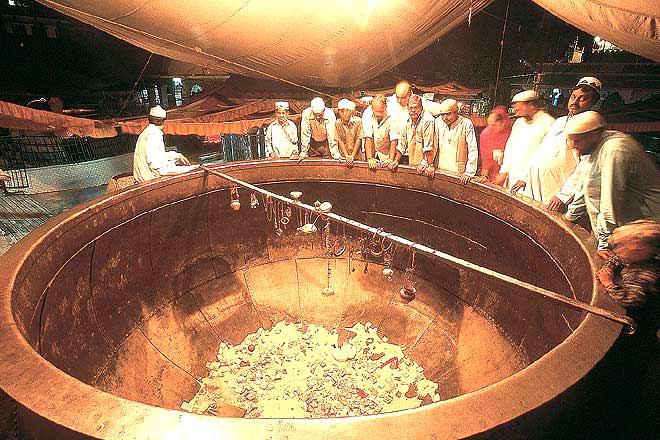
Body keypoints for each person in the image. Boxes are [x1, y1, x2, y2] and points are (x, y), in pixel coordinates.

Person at [563, 111, 660, 251]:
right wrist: (569, 218)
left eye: (577, 140)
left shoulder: (615, 149)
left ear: (593, 135)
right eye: (570, 140)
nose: (572, 145)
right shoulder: (594, 148)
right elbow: (584, 186)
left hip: (645, 229)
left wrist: (604, 245)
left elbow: (611, 199)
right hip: (621, 231)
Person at [510, 77, 602, 207]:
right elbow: (541, 150)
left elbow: (586, 166)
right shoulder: (559, 122)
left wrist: (563, 195)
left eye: (582, 98)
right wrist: (524, 177)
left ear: (592, 103)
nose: (574, 102)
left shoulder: (590, 129)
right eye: (573, 96)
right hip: (535, 185)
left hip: (556, 191)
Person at [494, 90, 555, 189]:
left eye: (518, 106)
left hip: (534, 180)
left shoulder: (549, 123)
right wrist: (504, 171)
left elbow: (546, 156)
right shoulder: (518, 123)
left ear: (530, 105)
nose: (515, 110)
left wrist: (525, 177)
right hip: (513, 175)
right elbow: (510, 147)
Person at [596, 220, 660, 309]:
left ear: (643, 251)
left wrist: (608, 283)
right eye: (619, 245)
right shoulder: (632, 257)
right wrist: (607, 268)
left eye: (624, 247)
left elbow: (630, 300)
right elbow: (617, 259)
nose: (618, 250)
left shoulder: (644, 275)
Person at [133, 105, 193, 183]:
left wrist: (178, 155)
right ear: (160, 121)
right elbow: (156, 166)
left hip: (146, 175)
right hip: (148, 179)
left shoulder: (148, 131)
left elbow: (158, 156)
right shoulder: (154, 134)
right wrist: (189, 169)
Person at [435, 99, 479, 184]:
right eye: (442, 114)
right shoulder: (438, 122)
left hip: (459, 172)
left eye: (448, 114)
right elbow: (431, 144)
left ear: (456, 112)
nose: (444, 118)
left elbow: (472, 148)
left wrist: (469, 172)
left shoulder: (466, 123)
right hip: (440, 168)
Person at [392, 95, 436, 176]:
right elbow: (402, 142)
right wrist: (396, 160)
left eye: (415, 107)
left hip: (427, 161)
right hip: (412, 160)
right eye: (410, 108)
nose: (413, 110)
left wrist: (429, 165)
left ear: (421, 107)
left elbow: (429, 145)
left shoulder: (428, 119)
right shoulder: (406, 119)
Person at [362, 94, 400, 171]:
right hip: (372, 151)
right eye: (376, 112)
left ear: (385, 107)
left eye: (381, 111)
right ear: (372, 108)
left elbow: (394, 139)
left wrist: (390, 158)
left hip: (387, 152)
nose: (378, 114)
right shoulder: (367, 113)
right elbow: (368, 136)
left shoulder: (393, 115)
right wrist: (370, 158)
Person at [478, 106, 512, 182]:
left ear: (503, 122)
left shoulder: (513, 131)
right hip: (494, 172)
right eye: (489, 125)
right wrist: (485, 176)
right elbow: (486, 158)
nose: (490, 128)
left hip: (510, 170)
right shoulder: (485, 134)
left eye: (493, 125)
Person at [335, 98, 363, 167]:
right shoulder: (337, 123)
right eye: (342, 111)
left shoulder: (358, 121)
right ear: (338, 112)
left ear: (351, 111)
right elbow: (339, 140)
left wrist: (352, 156)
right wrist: (347, 156)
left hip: (357, 155)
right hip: (343, 156)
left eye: (347, 111)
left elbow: (359, 139)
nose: (344, 113)